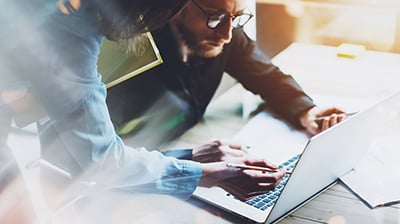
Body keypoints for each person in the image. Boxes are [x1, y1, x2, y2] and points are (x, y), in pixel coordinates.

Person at [0, 0, 286, 215]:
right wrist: (207, 174)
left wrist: (189, 160)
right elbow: (96, 158)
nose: (225, 33)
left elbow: (88, 143)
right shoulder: (74, 32)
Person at [106, 0, 347, 149]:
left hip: (191, 150)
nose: (227, 34)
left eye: (236, 17)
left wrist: (305, 111)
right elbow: (102, 150)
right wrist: (188, 160)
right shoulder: (130, 54)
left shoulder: (225, 37)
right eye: (216, 16)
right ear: (178, 5)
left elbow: (267, 76)